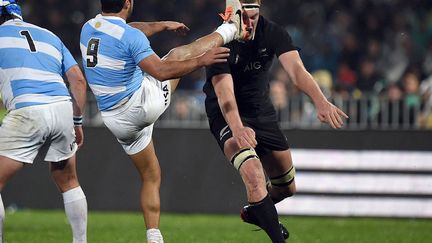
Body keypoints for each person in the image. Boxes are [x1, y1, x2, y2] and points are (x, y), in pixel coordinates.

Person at [80, 0, 248, 242]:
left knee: (151, 174)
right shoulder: (130, 37)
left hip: (115, 120)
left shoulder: (89, 26)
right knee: (176, 55)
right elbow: (161, 71)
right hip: (141, 106)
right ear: (128, 3)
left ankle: (154, 235)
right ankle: (232, 28)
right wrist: (202, 61)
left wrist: (160, 25)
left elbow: (129, 28)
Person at [204, 0, 349, 242]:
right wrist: (238, 128)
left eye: (254, 16)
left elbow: (297, 71)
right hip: (226, 114)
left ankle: (258, 212)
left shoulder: (272, 32)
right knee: (253, 174)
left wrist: (321, 101)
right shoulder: (218, 41)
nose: (250, 24)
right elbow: (224, 93)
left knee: (286, 187)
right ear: (230, 15)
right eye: (244, 18)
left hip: (261, 113)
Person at [0, 1, 88, 243]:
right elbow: (78, 80)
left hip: (28, 108)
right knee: (68, 180)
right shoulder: (49, 35)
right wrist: (77, 122)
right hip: (62, 108)